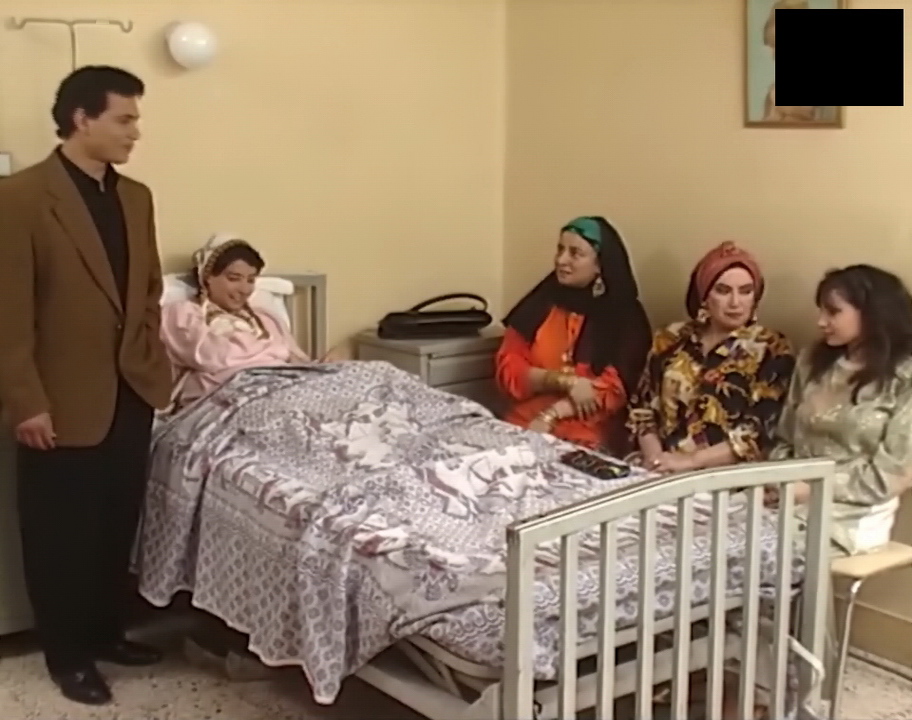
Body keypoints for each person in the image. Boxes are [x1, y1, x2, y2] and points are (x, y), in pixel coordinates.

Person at [0, 66, 172, 705]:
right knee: (58, 535)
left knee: (113, 523)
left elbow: (147, 289)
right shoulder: (20, 198)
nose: (135, 132)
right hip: (59, 398)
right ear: (82, 119)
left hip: (130, 392)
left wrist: (150, 359)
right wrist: (26, 401)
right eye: (124, 119)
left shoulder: (136, 198)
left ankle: (105, 633)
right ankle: (67, 656)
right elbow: (8, 313)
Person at [725, 265, 912, 720]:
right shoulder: (814, 361)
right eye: (821, 311)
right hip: (792, 489)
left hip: (856, 507)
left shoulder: (904, 378)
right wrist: (779, 481)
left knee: (775, 551)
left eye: (833, 312)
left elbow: (891, 474)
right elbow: (785, 437)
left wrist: (808, 490)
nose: (821, 322)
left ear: (870, 312)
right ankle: (726, 670)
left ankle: (799, 688)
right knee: (716, 529)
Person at [628, 241, 795, 474]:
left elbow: (757, 433)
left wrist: (689, 462)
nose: (735, 303)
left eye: (746, 291)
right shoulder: (671, 337)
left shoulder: (770, 347)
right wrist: (657, 461)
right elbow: (643, 410)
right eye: (723, 291)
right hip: (658, 466)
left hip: (724, 477)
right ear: (704, 296)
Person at [495, 216, 651, 454]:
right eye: (560, 249)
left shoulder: (625, 316)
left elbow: (615, 390)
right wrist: (563, 381)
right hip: (525, 423)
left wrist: (552, 414)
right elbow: (508, 370)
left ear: (600, 264)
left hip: (587, 433)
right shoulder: (540, 304)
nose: (561, 260)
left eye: (575, 253)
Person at [160, 234, 318, 409]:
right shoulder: (182, 314)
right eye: (234, 278)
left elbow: (300, 364)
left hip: (282, 389)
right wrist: (273, 352)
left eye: (251, 280)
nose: (244, 289)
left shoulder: (267, 319)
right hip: (227, 400)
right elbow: (216, 356)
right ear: (208, 277)